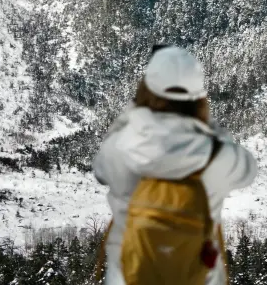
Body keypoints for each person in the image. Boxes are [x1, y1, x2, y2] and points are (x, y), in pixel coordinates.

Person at [93, 45, 257, 285]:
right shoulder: (218, 155)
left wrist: (134, 112)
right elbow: (249, 171)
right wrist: (206, 125)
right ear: (199, 98)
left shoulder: (119, 149)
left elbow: (100, 170)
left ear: (146, 90)